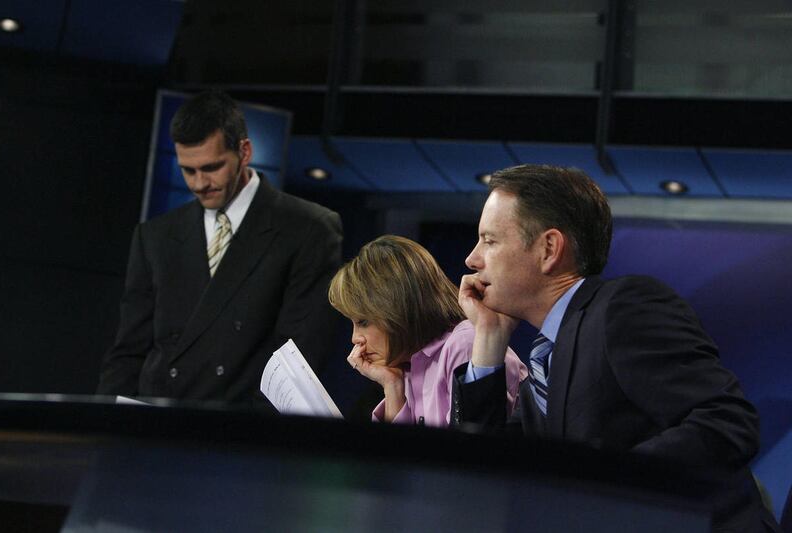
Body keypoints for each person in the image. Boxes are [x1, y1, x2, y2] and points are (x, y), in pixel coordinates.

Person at [451, 163, 780, 531]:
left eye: (490, 240)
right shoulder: (545, 364)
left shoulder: (622, 308)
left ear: (549, 249)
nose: (472, 259)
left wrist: (608, 491)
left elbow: (727, 422)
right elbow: (478, 476)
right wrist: (489, 338)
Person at [97, 90, 343, 405]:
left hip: (239, 425)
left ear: (244, 152)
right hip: (156, 421)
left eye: (212, 167)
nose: (199, 183)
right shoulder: (154, 236)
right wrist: (103, 425)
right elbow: (128, 353)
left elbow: (297, 362)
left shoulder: (309, 229)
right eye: (188, 170)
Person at [328, 235, 526, 426]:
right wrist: (393, 386)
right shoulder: (408, 364)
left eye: (363, 322)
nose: (355, 338)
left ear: (398, 308)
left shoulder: (465, 343)